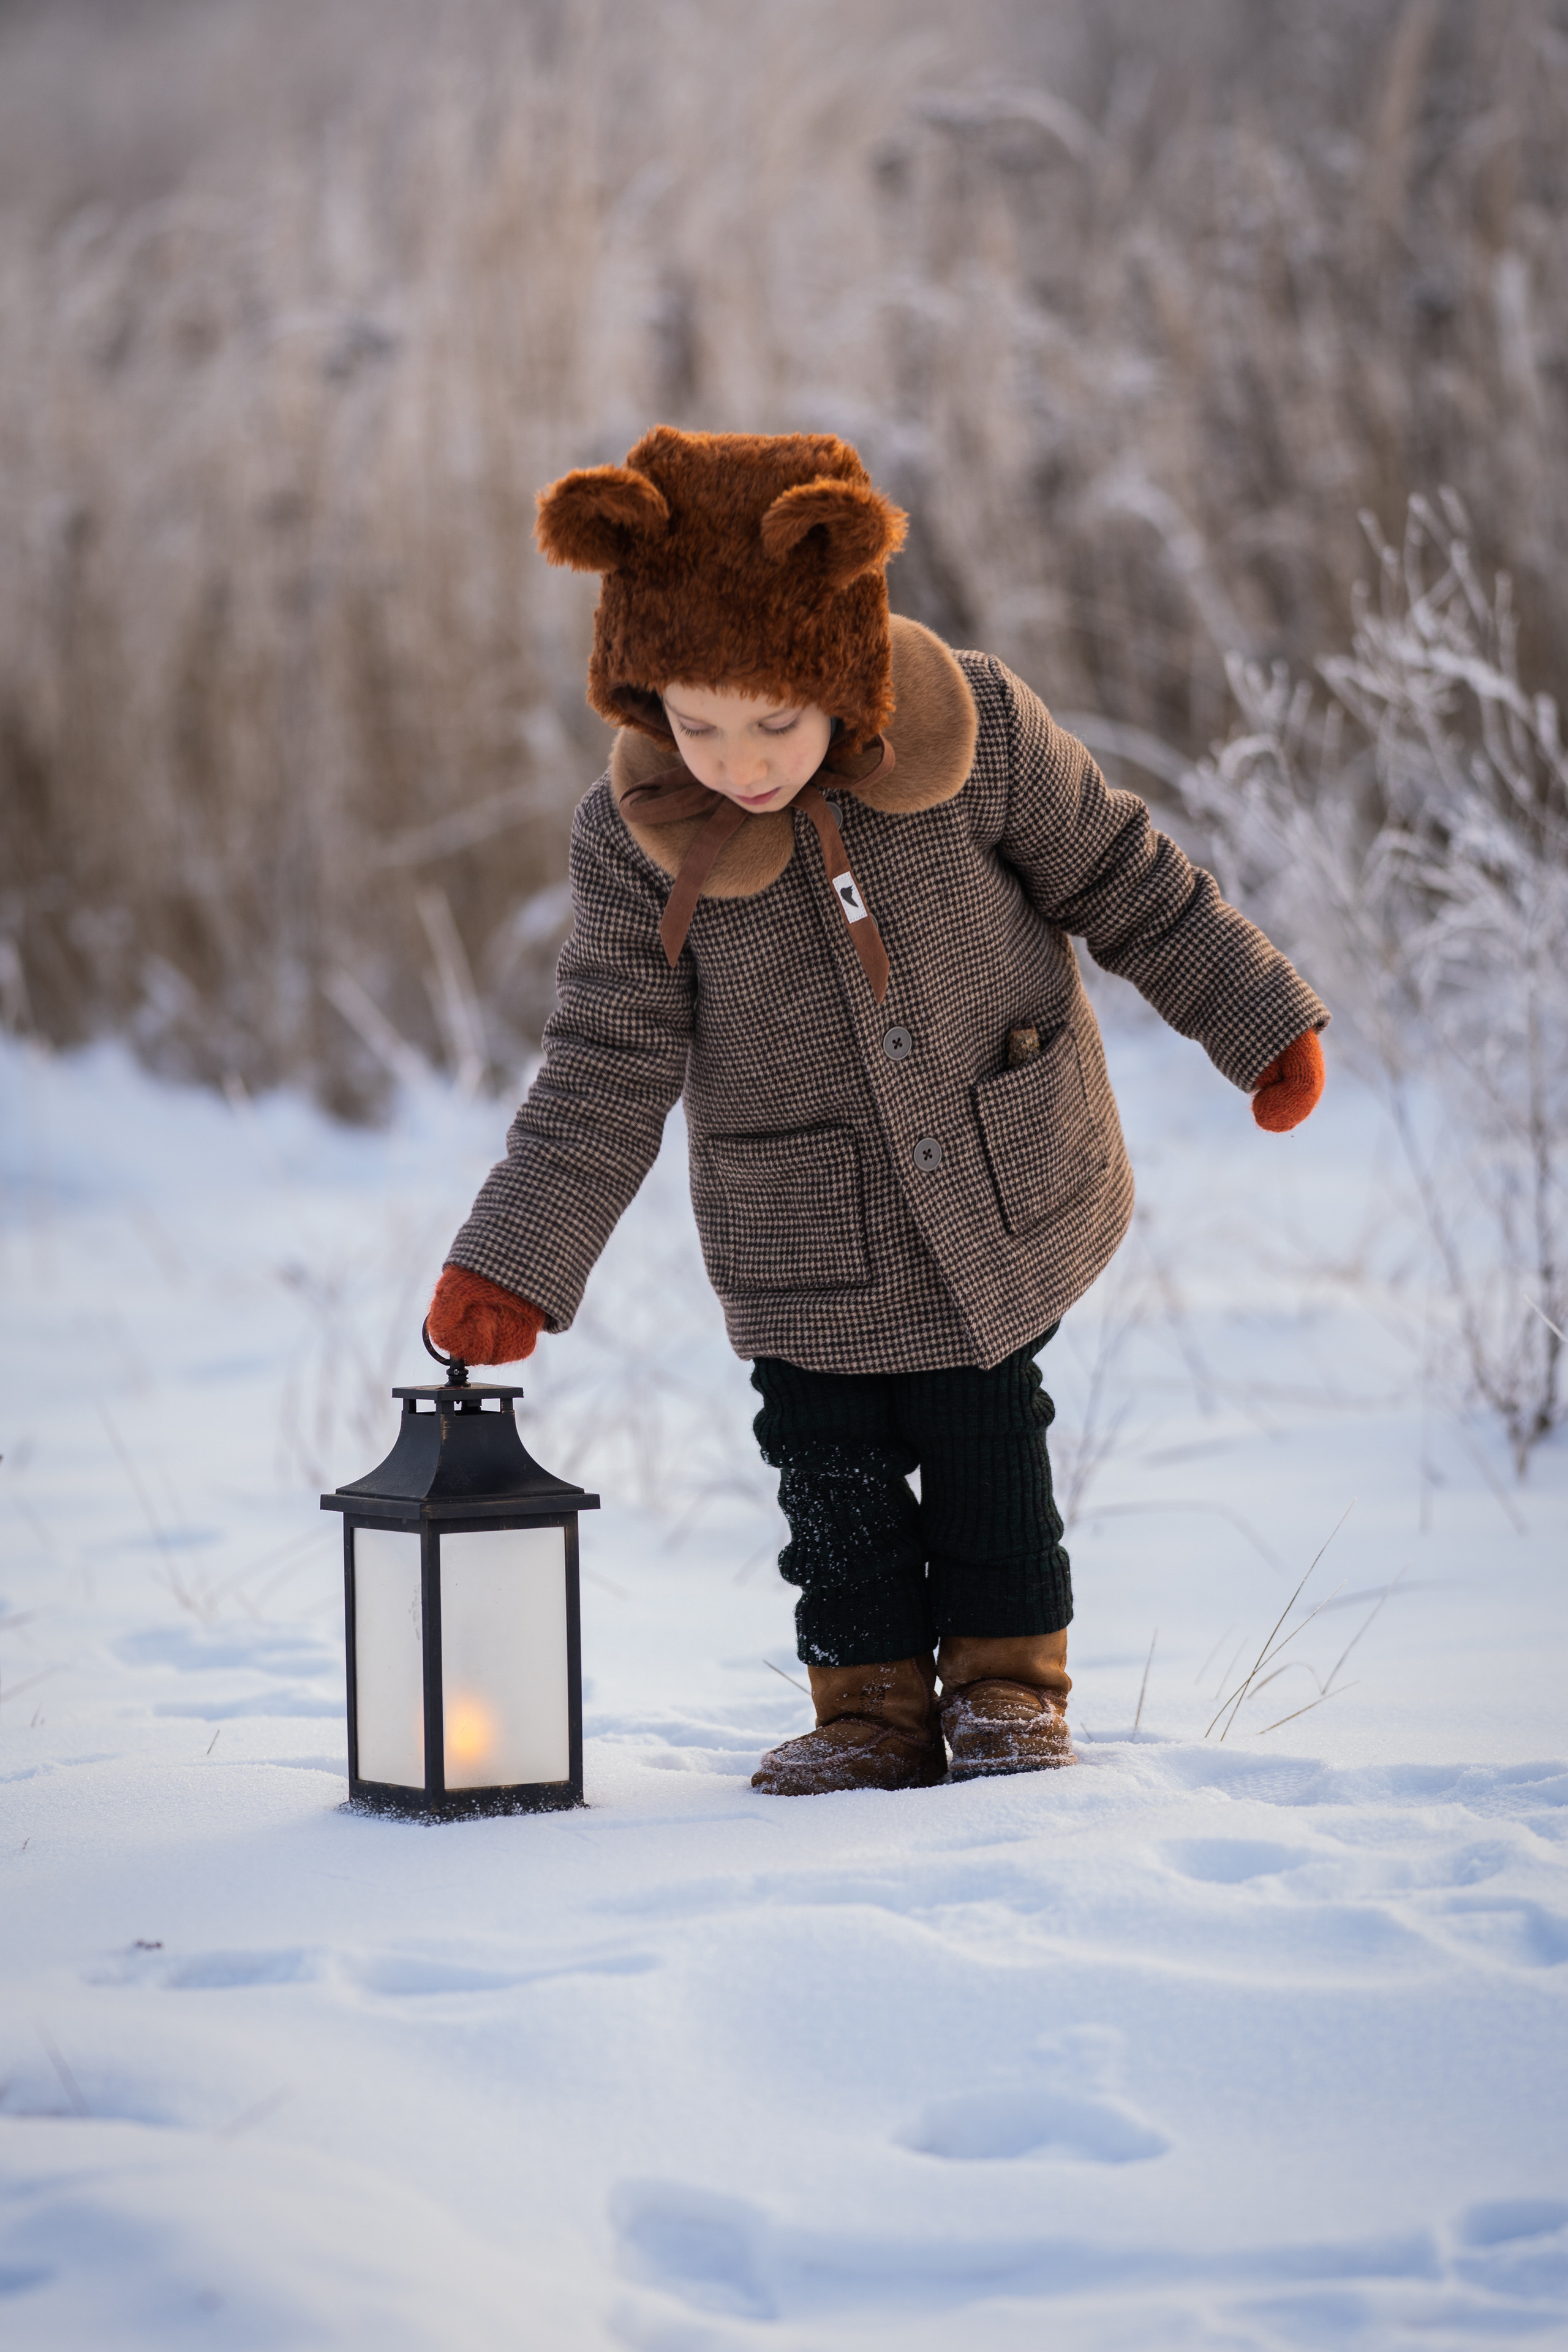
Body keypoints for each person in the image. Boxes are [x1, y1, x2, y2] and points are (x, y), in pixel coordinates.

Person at [425, 426, 1327, 1796]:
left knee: (984, 1453)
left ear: (837, 672)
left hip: (997, 1184)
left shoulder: (976, 737)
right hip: (803, 1236)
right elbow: (604, 1064)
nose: (736, 764)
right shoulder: (636, 840)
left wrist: (1254, 1019)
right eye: (695, 723)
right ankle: (866, 1713)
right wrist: (512, 1256)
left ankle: (1010, 1694)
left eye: (772, 723)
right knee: (827, 1476)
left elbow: (1122, 879)